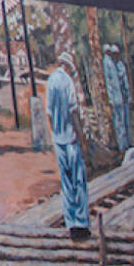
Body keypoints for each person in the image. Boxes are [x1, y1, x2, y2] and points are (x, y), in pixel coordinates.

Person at [45, 53, 88, 240]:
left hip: (58, 138)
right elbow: (73, 112)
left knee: (66, 182)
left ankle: (71, 223)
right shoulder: (68, 82)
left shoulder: (51, 81)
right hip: (70, 138)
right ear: (69, 67)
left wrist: (53, 132)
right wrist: (82, 137)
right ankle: (81, 223)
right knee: (78, 179)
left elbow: (48, 112)